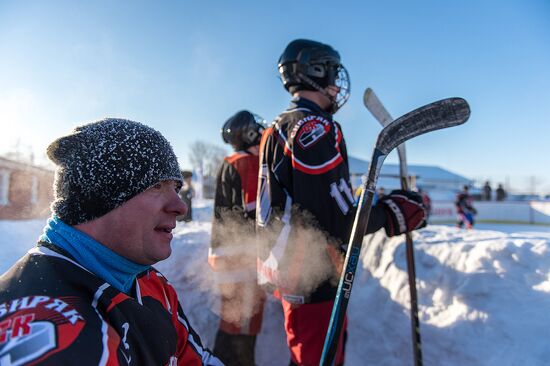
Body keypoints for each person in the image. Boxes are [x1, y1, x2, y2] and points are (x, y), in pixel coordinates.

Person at [256, 38, 428, 366]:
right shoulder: (315, 127)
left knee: (306, 355)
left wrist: (370, 201)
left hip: (293, 269)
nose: (336, 84)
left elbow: (310, 200)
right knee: (320, 358)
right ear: (315, 72)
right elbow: (336, 221)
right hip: (312, 273)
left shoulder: (277, 126)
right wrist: (393, 214)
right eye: (332, 73)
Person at [0, 118, 222, 365]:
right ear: (100, 198)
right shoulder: (47, 327)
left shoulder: (151, 284)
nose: (180, 207)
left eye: (176, 189)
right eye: (156, 186)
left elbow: (197, 360)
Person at [209, 110, 267, 366]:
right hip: (241, 258)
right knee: (242, 326)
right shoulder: (247, 162)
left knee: (233, 322)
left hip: (228, 256)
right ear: (249, 133)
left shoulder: (231, 160)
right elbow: (258, 214)